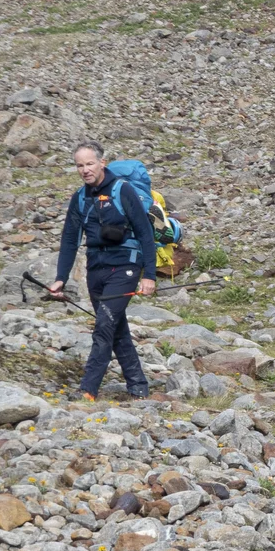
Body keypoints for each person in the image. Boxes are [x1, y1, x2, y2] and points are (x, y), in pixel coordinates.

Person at [49, 141, 157, 401]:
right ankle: (138, 387)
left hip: (126, 267)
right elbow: (69, 239)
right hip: (95, 268)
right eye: (79, 165)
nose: (85, 170)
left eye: (89, 163)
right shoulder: (80, 197)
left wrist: (150, 275)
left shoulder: (123, 190)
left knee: (104, 326)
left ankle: (88, 389)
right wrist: (60, 278)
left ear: (101, 163)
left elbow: (145, 233)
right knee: (116, 327)